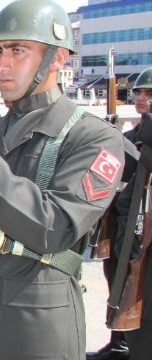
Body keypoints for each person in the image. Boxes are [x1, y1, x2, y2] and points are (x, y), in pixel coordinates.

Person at [0, 0, 126, 358]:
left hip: (35, 320)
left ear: (58, 58)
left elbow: (55, 227)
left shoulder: (93, 137)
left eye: (17, 50)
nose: (2, 64)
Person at [90, 67, 152, 360]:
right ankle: (119, 342)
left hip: (144, 239)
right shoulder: (135, 133)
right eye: (139, 92)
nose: (141, 97)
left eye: (149, 93)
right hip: (122, 232)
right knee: (117, 289)